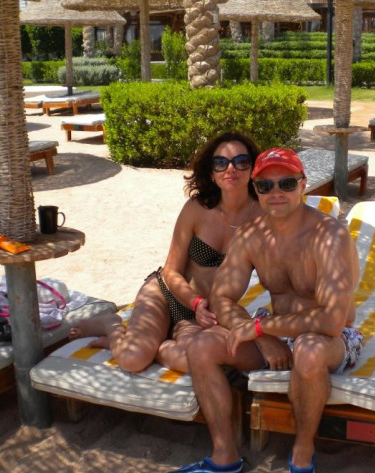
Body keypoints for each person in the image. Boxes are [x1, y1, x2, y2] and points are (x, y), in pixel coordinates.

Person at [165, 148, 363, 473]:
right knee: (201, 346)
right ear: (255, 189)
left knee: (309, 349)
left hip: (333, 339)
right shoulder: (252, 235)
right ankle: (224, 456)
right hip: (277, 332)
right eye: (265, 185)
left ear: (303, 185)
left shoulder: (329, 235)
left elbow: (332, 321)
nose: (276, 192)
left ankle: (302, 457)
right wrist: (262, 335)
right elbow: (222, 297)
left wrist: (260, 326)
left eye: (286, 183)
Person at [69, 131, 263, 374]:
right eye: (220, 163)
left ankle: (156, 347)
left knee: (198, 361)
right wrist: (195, 302)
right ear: (212, 173)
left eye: (241, 161)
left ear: (253, 168)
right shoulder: (196, 209)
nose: (230, 169)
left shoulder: (263, 218)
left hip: (207, 314)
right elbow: (171, 270)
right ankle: (112, 325)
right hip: (167, 293)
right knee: (132, 359)